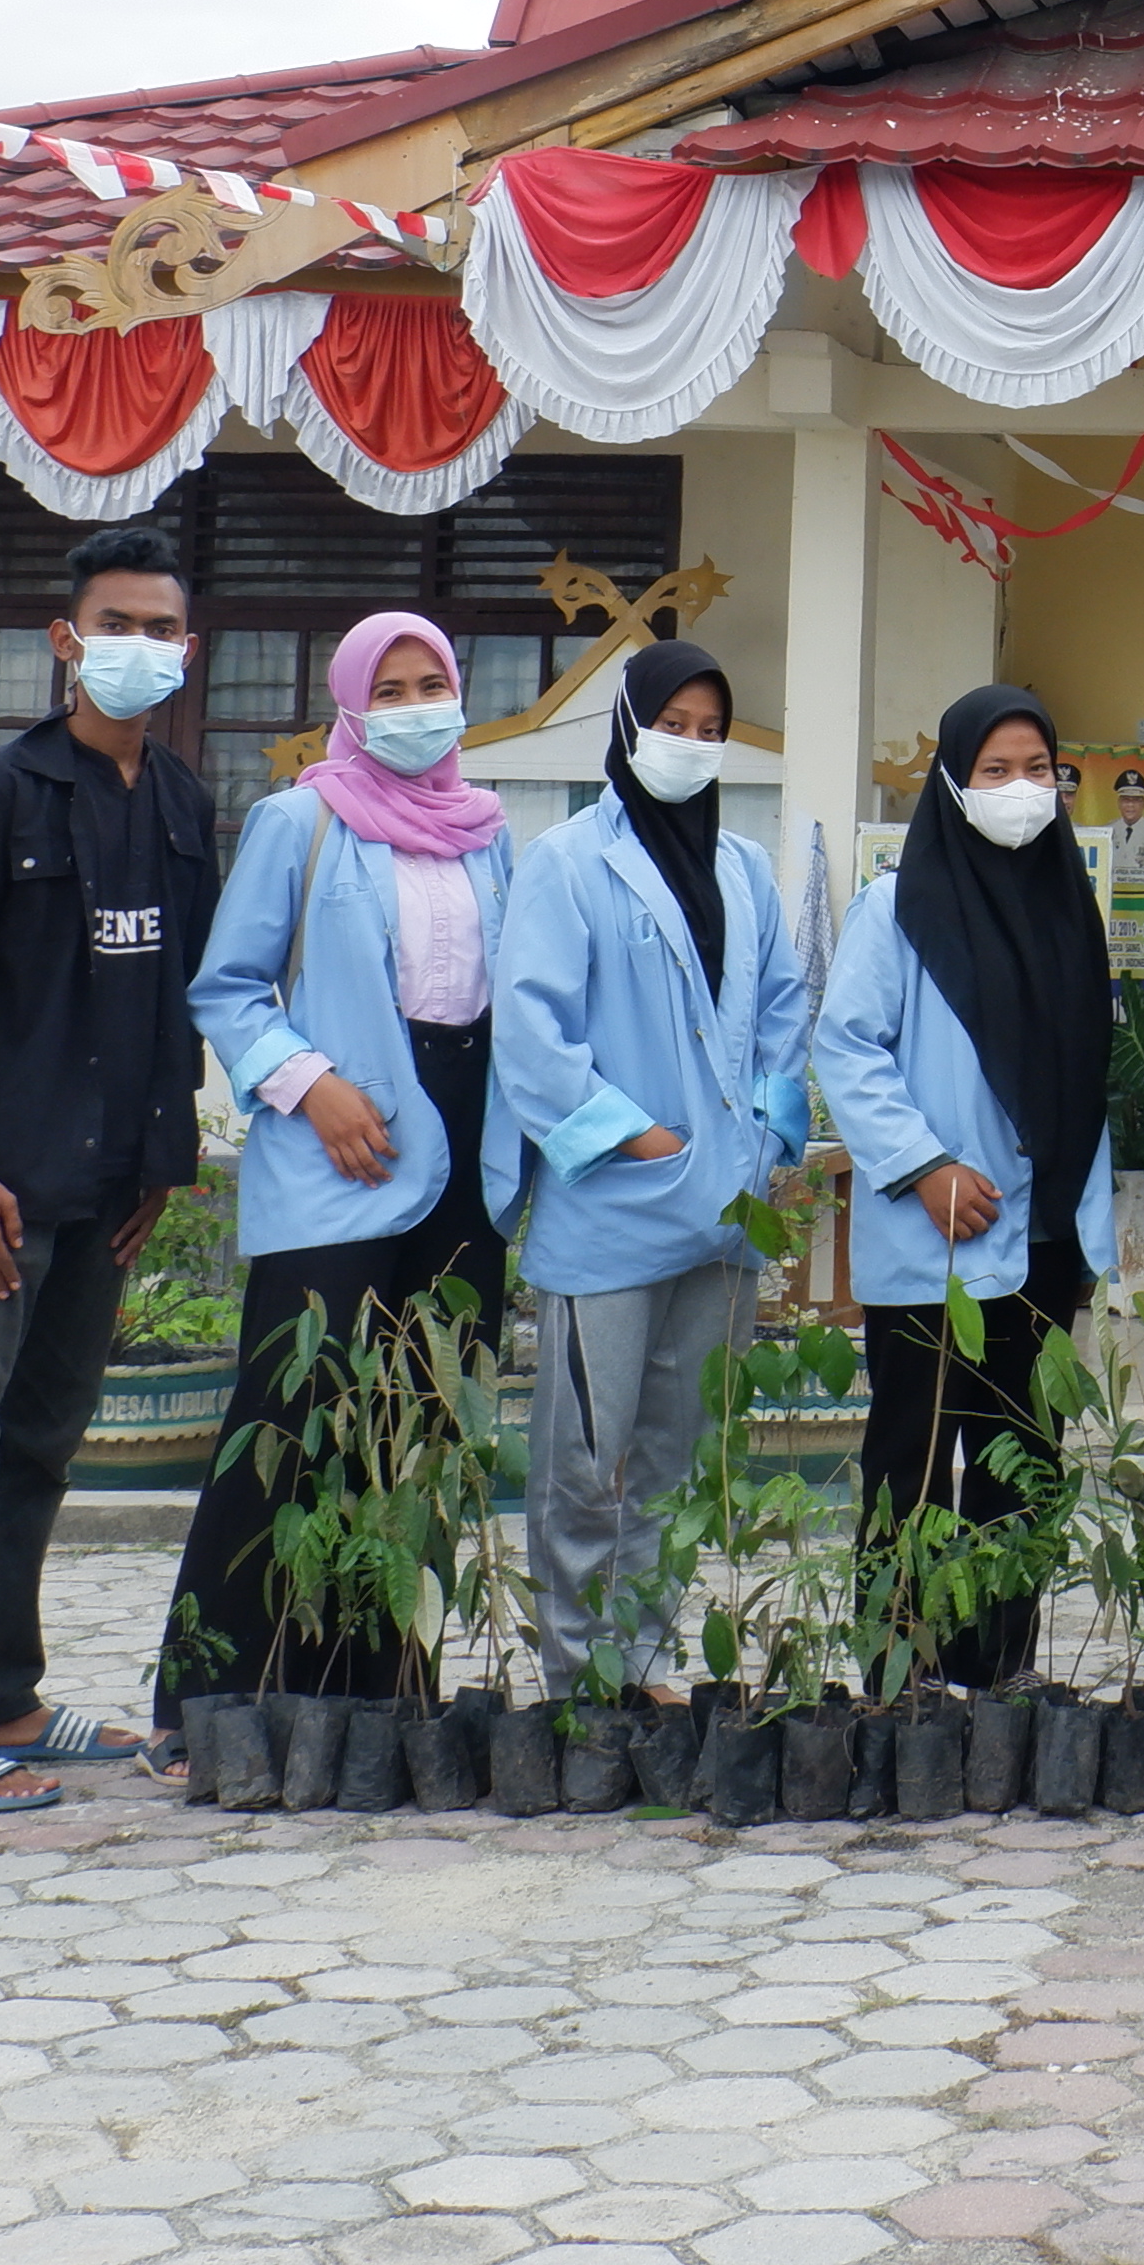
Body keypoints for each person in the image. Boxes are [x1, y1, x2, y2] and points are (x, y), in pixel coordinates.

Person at [0, 520, 215, 1814]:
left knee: (41, 1443)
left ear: (190, 650)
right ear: (67, 642)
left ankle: (1, 1692)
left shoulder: (178, 805)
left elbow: (177, 994)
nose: (137, 649)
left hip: (108, 1185)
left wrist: (164, 1162)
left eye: (160, 630)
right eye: (113, 626)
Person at [161, 610, 525, 1721]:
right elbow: (228, 986)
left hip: (466, 1145)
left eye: (435, 684)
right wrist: (307, 1083)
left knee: (424, 1420)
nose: (418, 708)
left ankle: (377, 1693)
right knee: (290, 1415)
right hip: (341, 1149)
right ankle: (215, 1698)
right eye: (395, 689)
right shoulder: (299, 818)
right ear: (353, 706)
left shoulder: (489, 831)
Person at [496, 639, 811, 1705]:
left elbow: (781, 1009)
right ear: (628, 729)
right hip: (613, 1214)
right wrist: (635, 1137)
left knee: (676, 1459)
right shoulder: (568, 860)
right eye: (673, 722)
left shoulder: (746, 867)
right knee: (588, 1459)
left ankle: (649, 1662)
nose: (693, 744)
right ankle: (578, 1676)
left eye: (711, 728)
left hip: (723, 1217)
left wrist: (771, 1139)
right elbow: (534, 1036)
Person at [809, 684, 1123, 1690]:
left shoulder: (1072, 908)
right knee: (912, 1455)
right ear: (951, 780)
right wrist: (923, 1164)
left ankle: (1002, 1665)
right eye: (996, 770)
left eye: (1040, 770)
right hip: (934, 1235)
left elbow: (1083, 1071)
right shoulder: (895, 907)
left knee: (1022, 1459)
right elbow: (848, 1047)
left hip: (1041, 1233)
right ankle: (899, 1664)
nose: (1023, 789)